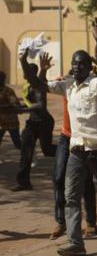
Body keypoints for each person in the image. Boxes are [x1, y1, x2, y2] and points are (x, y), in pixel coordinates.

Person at [23, 19, 97, 256]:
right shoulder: (67, 86)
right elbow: (38, 84)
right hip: (77, 149)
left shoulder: (96, 84)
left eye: (81, 64)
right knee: (71, 196)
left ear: (89, 67)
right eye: (74, 63)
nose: (76, 67)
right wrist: (24, 61)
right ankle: (76, 242)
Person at [51, 83, 97, 240]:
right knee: (58, 178)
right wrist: (43, 72)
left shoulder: (92, 87)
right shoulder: (66, 85)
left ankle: (91, 222)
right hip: (66, 137)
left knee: (86, 180)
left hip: (83, 138)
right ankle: (61, 222)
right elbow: (41, 84)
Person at [14, 51, 57, 191]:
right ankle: (23, 182)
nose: (24, 74)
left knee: (47, 150)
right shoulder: (27, 85)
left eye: (27, 71)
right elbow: (30, 103)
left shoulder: (38, 85)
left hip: (43, 122)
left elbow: (40, 105)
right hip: (32, 122)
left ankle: (69, 154)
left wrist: (22, 109)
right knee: (26, 152)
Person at [0, 71, 22, 153]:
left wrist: (3, 106)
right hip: (1, 123)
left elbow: (15, 104)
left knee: (18, 143)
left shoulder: (8, 91)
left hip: (11, 122)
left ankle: (29, 153)